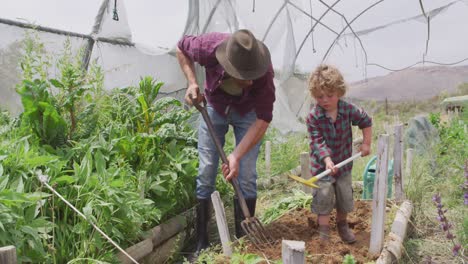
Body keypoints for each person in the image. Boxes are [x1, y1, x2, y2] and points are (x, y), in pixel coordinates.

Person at [176, 29, 275, 254]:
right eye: (244, 75)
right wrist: (192, 82)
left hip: (248, 113)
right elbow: (181, 48)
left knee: (247, 174)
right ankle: (202, 241)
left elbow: (263, 119)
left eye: (253, 75)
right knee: (206, 170)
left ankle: (244, 242)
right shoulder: (208, 47)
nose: (250, 81)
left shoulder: (264, 71)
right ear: (228, 65)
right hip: (215, 106)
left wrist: (236, 155)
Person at [306, 64, 372, 243]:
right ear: (314, 95)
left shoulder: (347, 109)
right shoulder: (313, 117)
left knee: (344, 196)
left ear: (339, 92)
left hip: (344, 165)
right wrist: (327, 161)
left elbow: (366, 121)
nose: (325, 100)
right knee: (324, 197)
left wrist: (366, 143)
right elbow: (317, 142)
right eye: (320, 96)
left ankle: (342, 226)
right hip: (322, 168)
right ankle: (324, 232)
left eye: (330, 95)